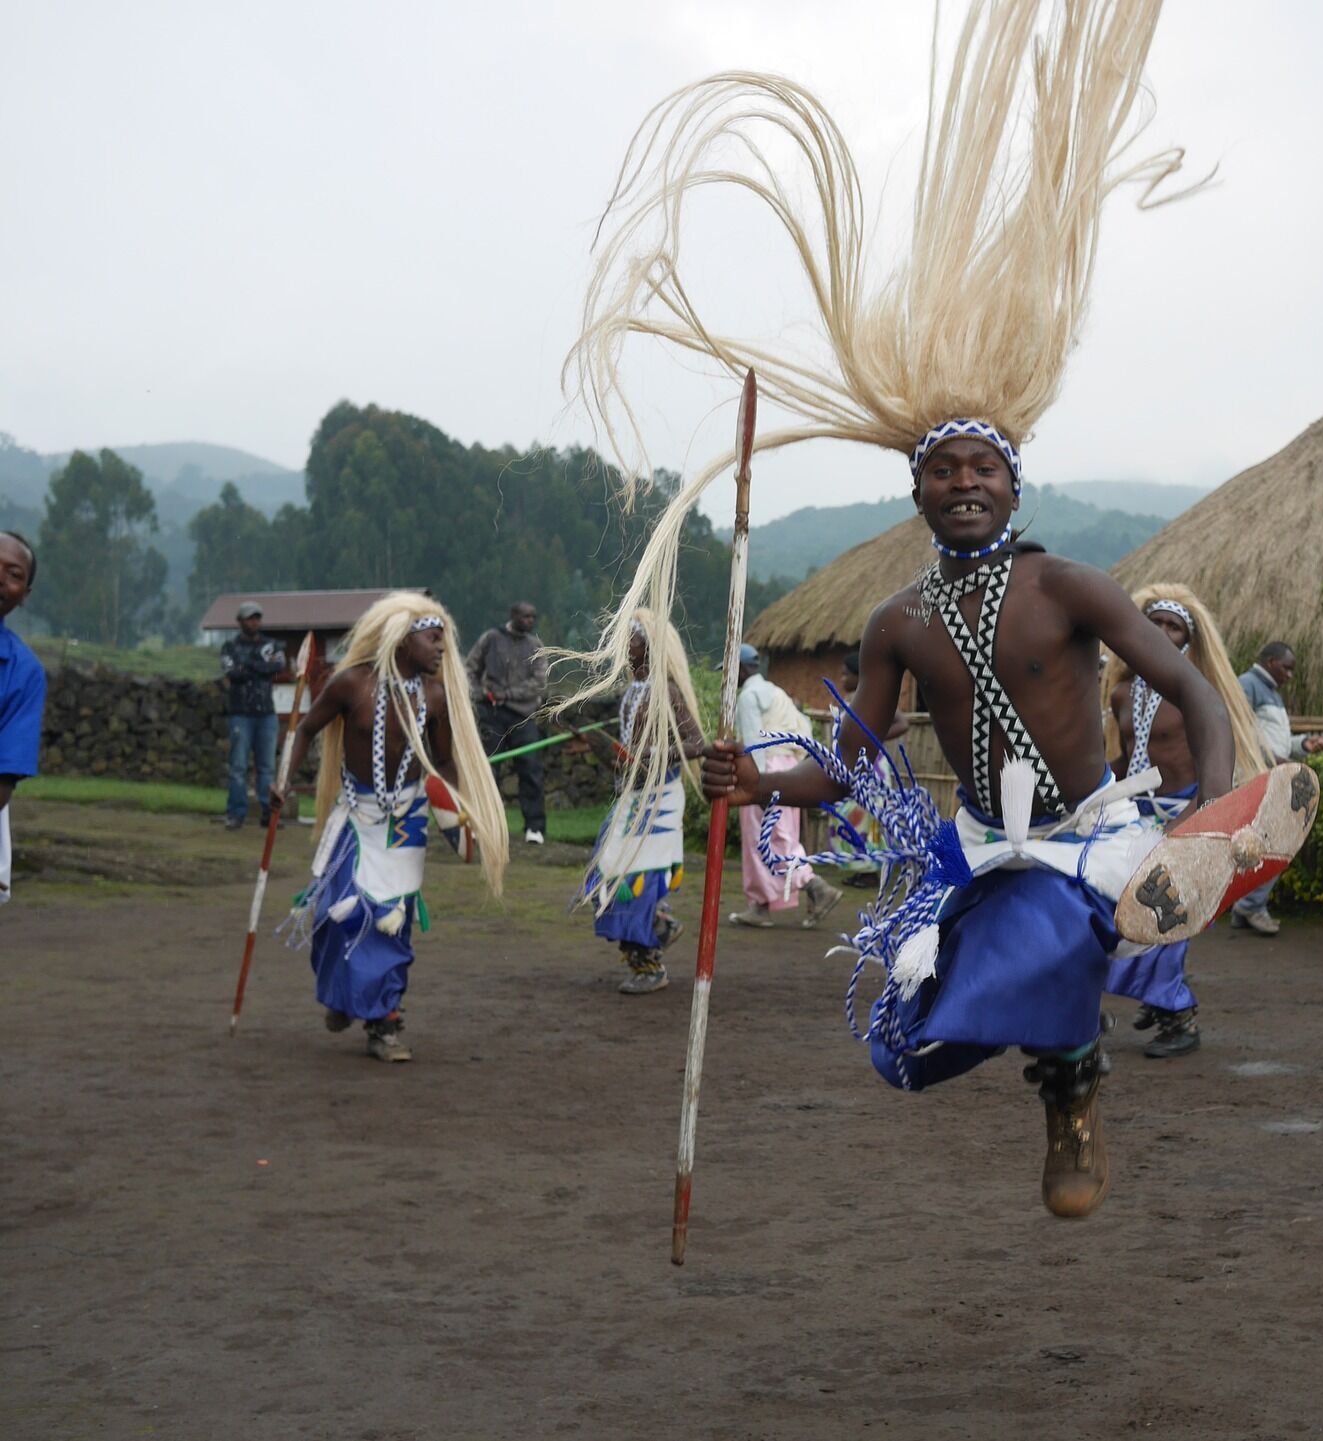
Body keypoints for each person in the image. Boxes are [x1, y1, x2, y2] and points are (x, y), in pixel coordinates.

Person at [568, 0, 1223, 1218]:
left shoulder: (1066, 584)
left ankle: (1073, 1089)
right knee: (913, 1039)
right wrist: (759, 785)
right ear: (914, 488)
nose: (963, 484)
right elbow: (860, 762)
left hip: (1082, 838)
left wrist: (1216, 820)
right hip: (970, 844)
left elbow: (1186, 687)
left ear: (1013, 483)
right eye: (941, 470)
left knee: (1038, 942)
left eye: (983, 469)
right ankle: (1065, 1068)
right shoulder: (897, 621)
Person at [273, 594, 508, 1061]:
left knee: (388, 925)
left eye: (444, 640)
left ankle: (384, 1022)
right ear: (403, 640)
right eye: (433, 638)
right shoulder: (351, 686)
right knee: (335, 916)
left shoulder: (434, 698)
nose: (442, 649)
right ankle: (343, 997)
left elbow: (442, 762)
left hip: (405, 824)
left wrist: (459, 812)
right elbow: (305, 730)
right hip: (356, 818)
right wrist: (282, 780)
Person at [1105, 586, 1269, 1058]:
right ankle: (1160, 1003)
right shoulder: (1121, 692)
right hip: (1134, 816)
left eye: (1172, 626)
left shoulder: (1197, 694)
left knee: (1168, 915)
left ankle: (1179, 1016)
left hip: (1185, 813)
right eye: (1153, 623)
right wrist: (1094, 790)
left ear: (1187, 639)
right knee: (1126, 913)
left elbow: (1212, 760)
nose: (1161, 633)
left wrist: (1200, 818)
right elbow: (1127, 757)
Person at [583, 613, 709, 994]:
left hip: (659, 802)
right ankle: (660, 922)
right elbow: (629, 752)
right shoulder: (632, 691)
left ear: (649, 646)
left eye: (631, 639)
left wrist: (655, 754)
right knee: (604, 875)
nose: (624, 647)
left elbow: (698, 744)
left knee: (634, 883)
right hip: (632, 798)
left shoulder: (666, 690)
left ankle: (649, 964)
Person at [727, 643, 841, 928]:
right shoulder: (778, 694)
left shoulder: (749, 696)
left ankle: (813, 887)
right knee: (783, 835)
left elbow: (754, 742)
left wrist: (759, 783)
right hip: (789, 768)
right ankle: (764, 903)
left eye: (731, 670)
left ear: (741, 668)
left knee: (763, 838)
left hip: (763, 769)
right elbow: (803, 727)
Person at [1232, 640, 1323, 935]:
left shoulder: (1271, 693)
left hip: (1270, 776)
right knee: (1277, 840)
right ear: (1271, 661)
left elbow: (1274, 740)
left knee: (1267, 842)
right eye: (1287, 667)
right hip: (1254, 778)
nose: (1290, 674)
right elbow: (1239, 728)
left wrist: (1302, 745)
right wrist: (1272, 758)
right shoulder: (1247, 684)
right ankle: (1250, 906)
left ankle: (1247, 907)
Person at [467, 600, 549, 844]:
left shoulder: (536, 646)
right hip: (491, 713)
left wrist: (510, 694)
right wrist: (478, 695)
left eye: (533, 617)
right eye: (525, 616)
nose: (529, 621)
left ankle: (535, 828)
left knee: (531, 769)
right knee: (487, 769)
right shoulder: (491, 638)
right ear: (513, 615)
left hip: (523, 716)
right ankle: (481, 824)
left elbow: (539, 682)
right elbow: (470, 668)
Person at [830, 650, 908, 889]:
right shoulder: (852, 701)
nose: (841, 679)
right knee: (849, 816)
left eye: (845, 675)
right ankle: (859, 868)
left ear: (857, 675)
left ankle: (869, 872)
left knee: (865, 817)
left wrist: (872, 739)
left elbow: (903, 722)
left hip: (870, 769)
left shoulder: (871, 700)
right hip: (853, 766)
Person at [0, 531, 46, 907]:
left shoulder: (22, 671)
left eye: (13, 573)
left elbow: (4, 777)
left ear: (24, 596)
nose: (0, 578)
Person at [220, 602, 285, 829]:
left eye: (257, 618)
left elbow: (278, 666)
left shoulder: (270, 644)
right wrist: (260, 665)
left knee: (267, 766)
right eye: (249, 618)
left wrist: (248, 665)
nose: (254, 622)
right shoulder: (230, 647)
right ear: (240, 621)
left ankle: (268, 813)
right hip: (240, 714)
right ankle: (236, 813)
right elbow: (232, 672)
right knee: (238, 766)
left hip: (266, 714)